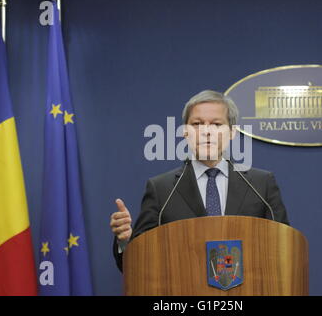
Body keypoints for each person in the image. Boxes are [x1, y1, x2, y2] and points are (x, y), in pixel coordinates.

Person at [110, 90, 290, 271]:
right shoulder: (161, 189)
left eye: (216, 124)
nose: (206, 132)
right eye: (197, 124)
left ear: (232, 132)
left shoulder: (261, 184)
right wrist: (125, 241)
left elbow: (285, 249)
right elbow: (137, 266)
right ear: (185, 132)